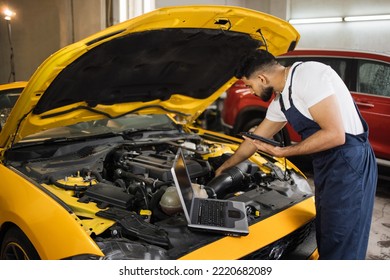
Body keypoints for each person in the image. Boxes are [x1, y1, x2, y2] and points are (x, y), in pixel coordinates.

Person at [215, 49, 378, 260]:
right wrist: (224, 168)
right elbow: (253, 142)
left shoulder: (309, 75)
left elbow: (335, 135)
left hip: (349, 164)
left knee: (343, 240)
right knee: (327, 235)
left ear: (262, 78)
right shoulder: (281, 100)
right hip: (328, 166)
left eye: (249, 85)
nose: (251, 92)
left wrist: (283, 152)